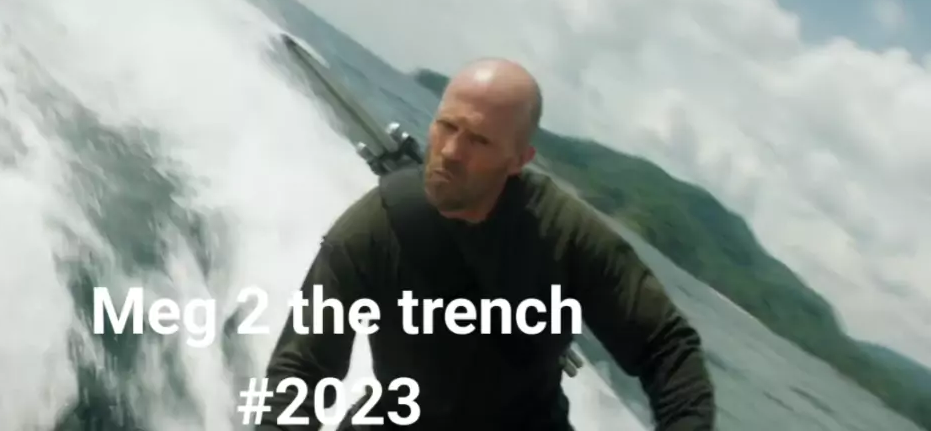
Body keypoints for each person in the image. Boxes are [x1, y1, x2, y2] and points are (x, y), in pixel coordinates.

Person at [256, 58, 716, 430]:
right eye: (446, 127)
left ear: (519, 160)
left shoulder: (564, 235)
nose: (451, 152)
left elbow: (666, 348)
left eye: (478, 140)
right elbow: (300, 376)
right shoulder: (371, 232)